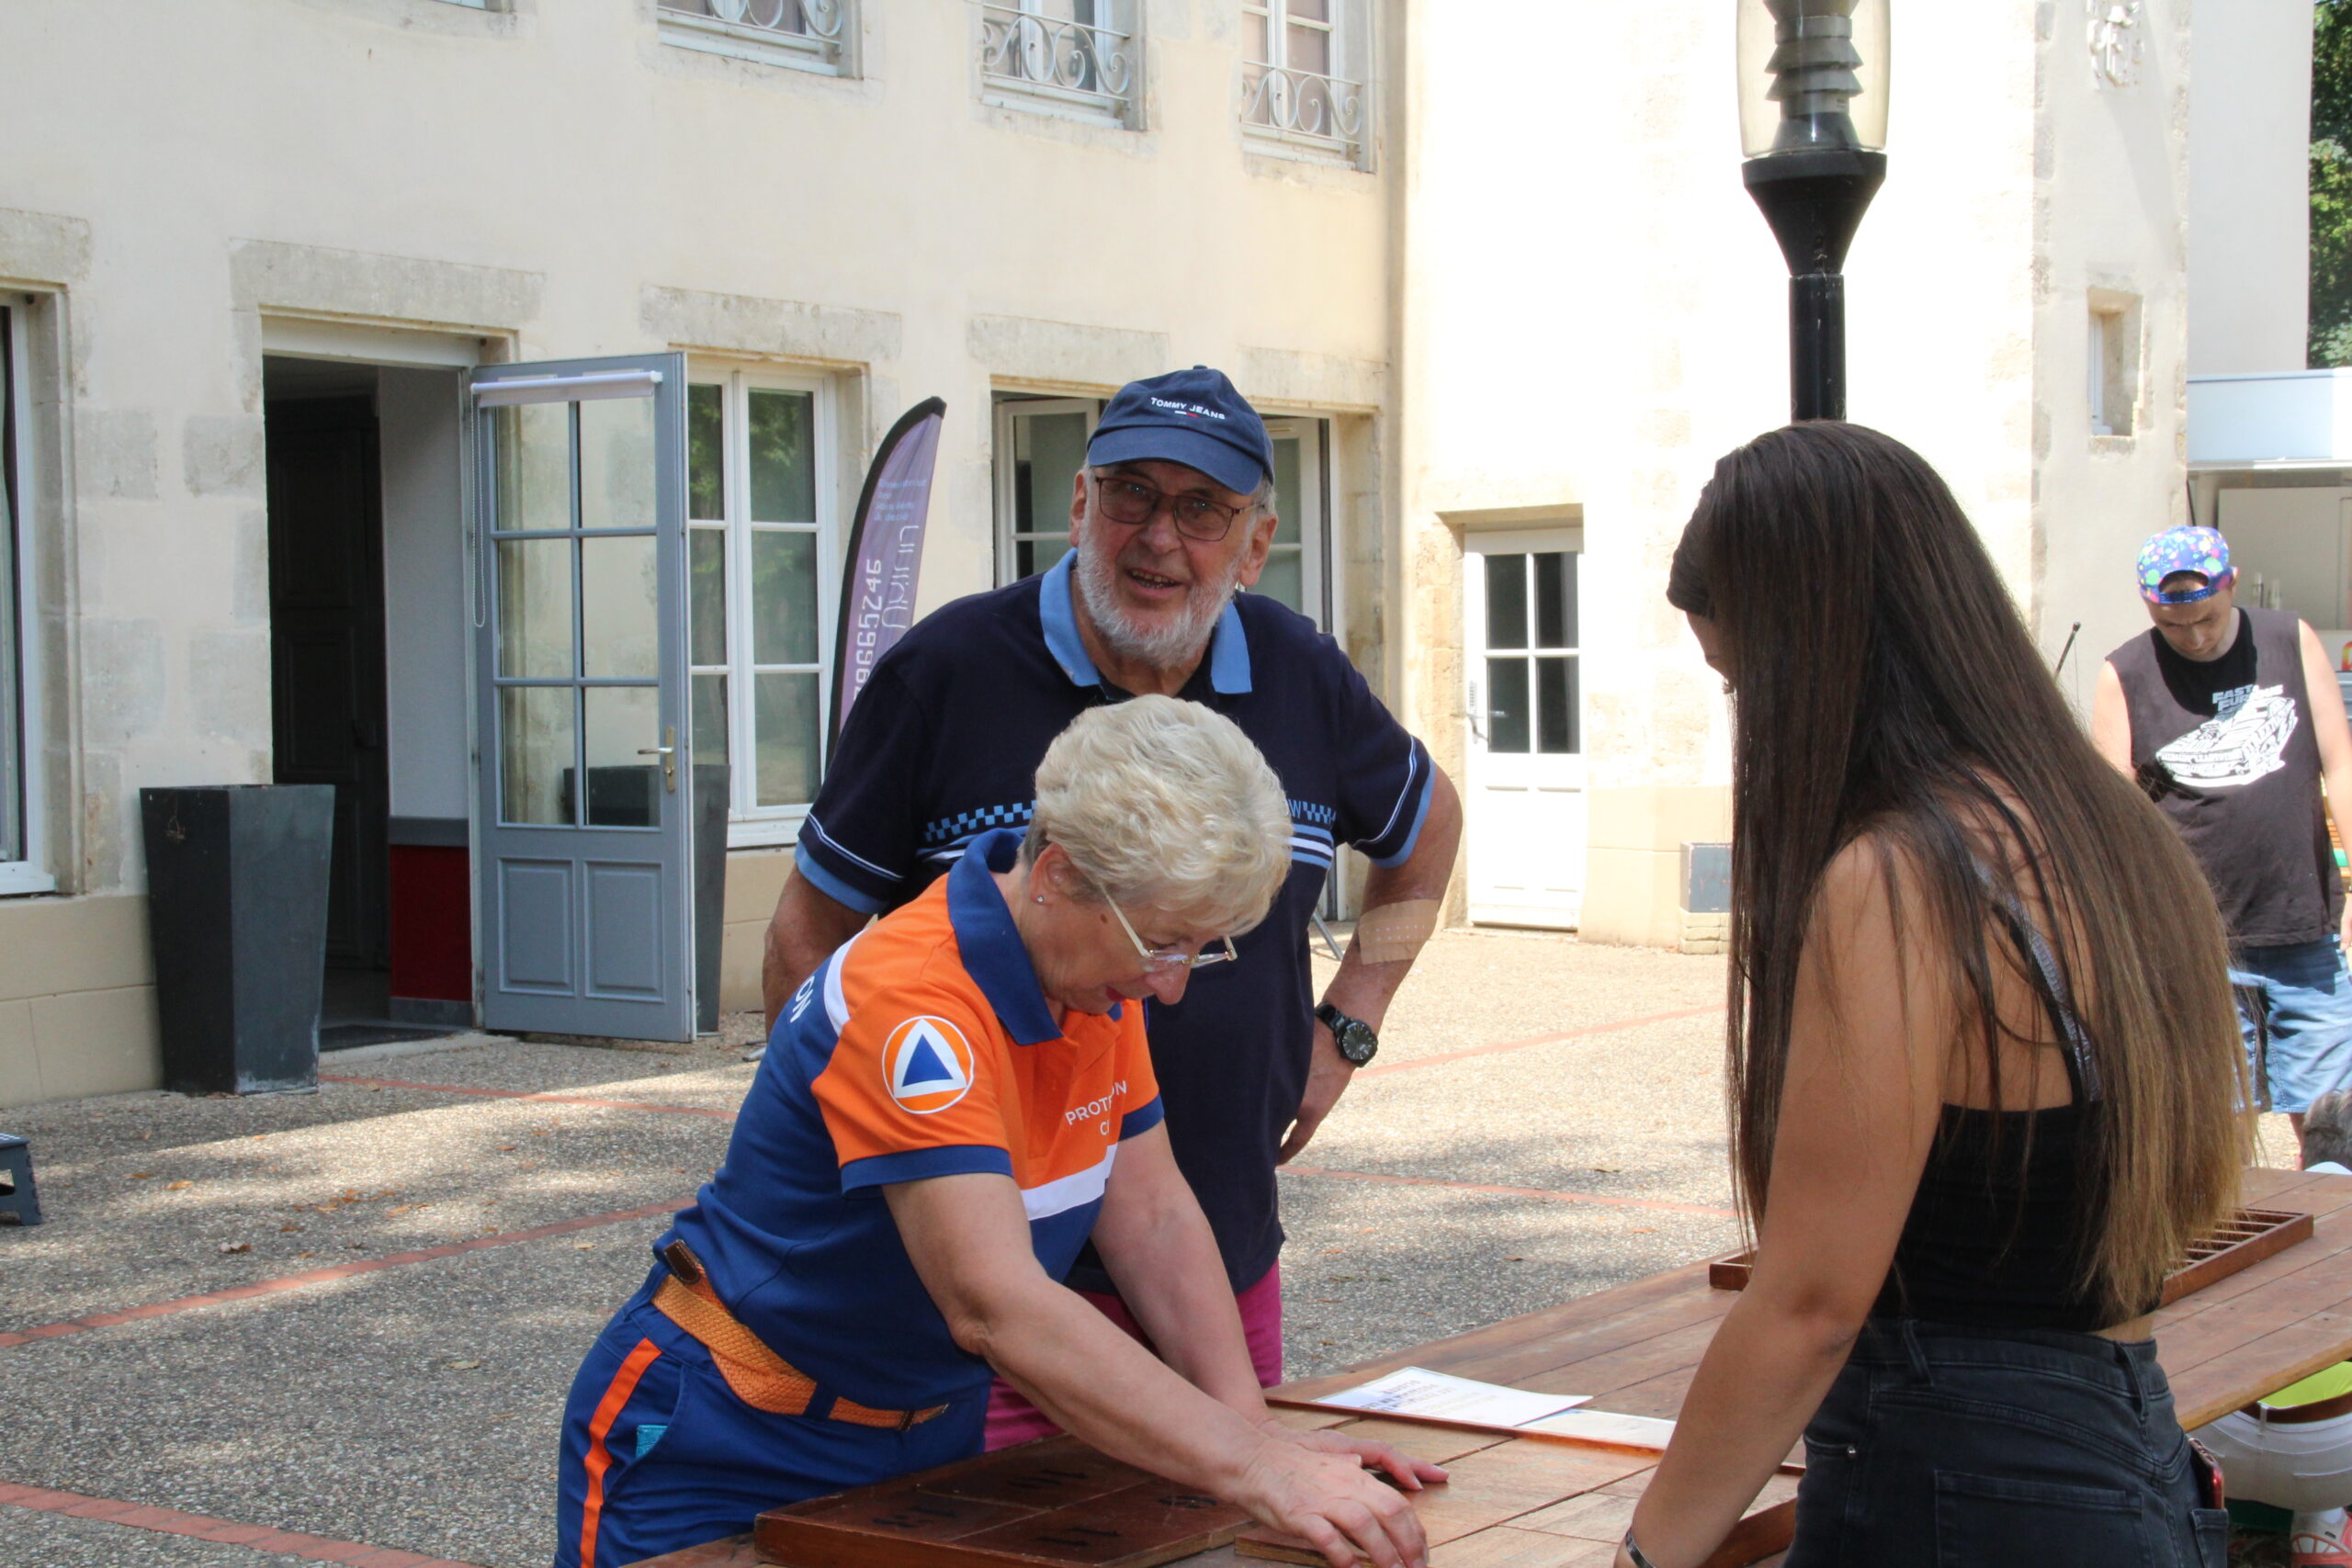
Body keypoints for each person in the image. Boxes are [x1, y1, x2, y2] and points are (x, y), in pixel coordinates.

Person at [555, 698, 1443, 1568]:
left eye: (1199, 948)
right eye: (1165, 943)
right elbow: (995, 1303)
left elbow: (1153, 1215)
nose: (1173, 984)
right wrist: (1256, 1468)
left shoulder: (1093, 975)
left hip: (925, 1436)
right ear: (1056, 874)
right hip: (727, 1437)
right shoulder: (914, 1006)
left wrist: (1257, 1431)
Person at [762, 366, 1461, 1447]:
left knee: (1228, 1512)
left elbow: (1427, 837)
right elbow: (808, 936)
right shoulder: (947, 670)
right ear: (1080, 503)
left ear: (1254, 544)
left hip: (1207, 1252)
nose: (1158, 539)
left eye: (1202, 509)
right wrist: (847, 1159)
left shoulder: (1301, 673)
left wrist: (1349, 1023)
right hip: (985, 1288)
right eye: (1133, 493)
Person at [1618, 423, 2248, 1567]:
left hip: (1970, 1478)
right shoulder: (2105, 828)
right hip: (2128, 1448)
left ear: (1816, 659)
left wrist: (1645, 1556)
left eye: (1746, 681)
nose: (1752, 722)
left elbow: (1809, 1306)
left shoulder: (1902, 877)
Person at [2091, 525, 2352, 1151]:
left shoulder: (2290, 640)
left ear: (2231, 584)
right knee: (2213, 1133)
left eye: (2206, 618)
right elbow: (2112, 814)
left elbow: (2341, 764)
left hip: (2302, 928)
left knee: (2333, 1128)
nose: (2194, 637)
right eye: (2172, 625)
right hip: (2195, 939)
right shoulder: (2125, 672)